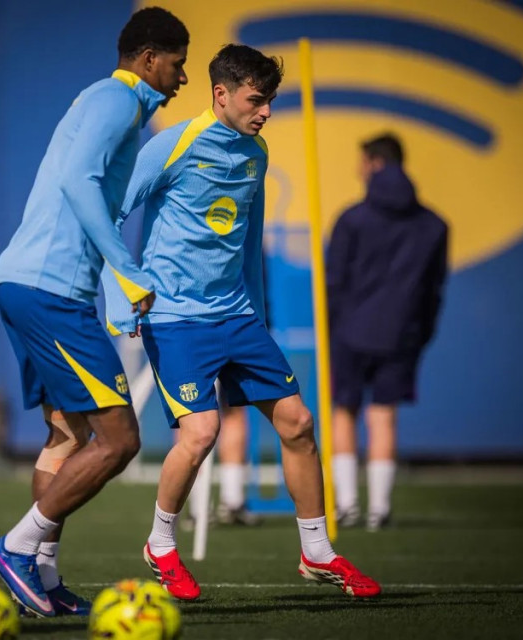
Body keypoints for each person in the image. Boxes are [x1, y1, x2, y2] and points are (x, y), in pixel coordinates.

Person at [105, 44, 380, 601]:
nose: (266, 112)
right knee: (201, 433)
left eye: (270, 100)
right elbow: (108, 213)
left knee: (298, 424)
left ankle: (316, 550)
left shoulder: (257, 153)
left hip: (237, 317)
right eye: (256, 100)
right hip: (176, 319)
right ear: (221, 94)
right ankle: (160, 543)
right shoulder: (173, 144)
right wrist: (119, 297)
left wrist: (257, 312)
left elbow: (249, 241)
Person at [0, 6, 189, 618]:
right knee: (120, 439)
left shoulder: (107, 101)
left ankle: (44, 575)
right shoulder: (117, 100)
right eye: (177, 65)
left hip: (29, 285)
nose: (181, 78)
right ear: (149, 59)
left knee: (68, 434)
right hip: (49, 292)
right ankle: (16, 548)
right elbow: (79, 182)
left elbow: (86, 197)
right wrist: (126, 271)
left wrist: (113, 291)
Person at [327, 133, 448, 531]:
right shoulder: (434, 226)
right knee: (384, 416)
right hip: (402, 333)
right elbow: (434, 290)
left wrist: (333, 326)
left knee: (344, 411)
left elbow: (334, 282)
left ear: (375, 163)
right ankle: (379, 509)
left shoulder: (351, 220)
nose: (358, 170)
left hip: (349, 332)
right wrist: (420, 333)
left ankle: (347, 505)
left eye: (362, 162)